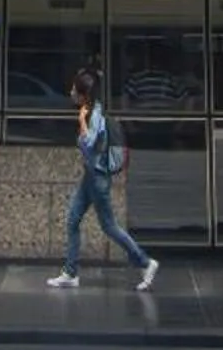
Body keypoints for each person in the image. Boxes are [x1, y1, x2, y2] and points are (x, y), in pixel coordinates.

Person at [46, 63, 156, 293]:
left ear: (82, 94)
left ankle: (145, 263)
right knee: (73, 219)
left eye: (73, 90)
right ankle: (70, 273)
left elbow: (88, 146)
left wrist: (82, 122)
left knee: (109, 226)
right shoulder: (92, 108)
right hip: (91, 175)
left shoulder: (92, 115)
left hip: (97, 178)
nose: (70, 93)